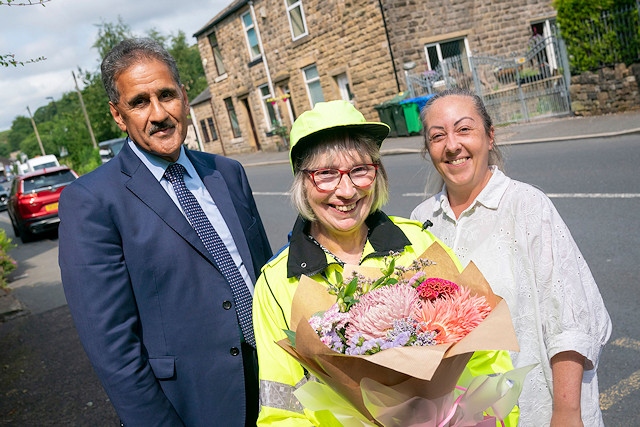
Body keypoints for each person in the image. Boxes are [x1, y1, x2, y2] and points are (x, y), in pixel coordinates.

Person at [252, 100, 516, 425]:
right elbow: (281, 406)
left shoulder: (419, 245)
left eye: (360, 170)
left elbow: (485, 356)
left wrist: (487, 417)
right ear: (303, 182)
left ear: (377, 174)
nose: (346, 191)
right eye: (326, 174)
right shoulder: (277, 284)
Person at [58, 38, 272, 426]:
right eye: (139, 102)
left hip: (275, 387)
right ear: (118, 115)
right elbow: (113, 348)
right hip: (191, 406)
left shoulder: (227, 173)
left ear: (184, 97)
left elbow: (265, 280)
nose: (158, 113)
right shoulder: (91, 201)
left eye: (166, 95)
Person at [411, 88, 612, 427]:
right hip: (459, 415)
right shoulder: (421, 220)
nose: (452, 145)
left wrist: (566, 413)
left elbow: (571, 320)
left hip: (537, 408)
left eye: (464, 129)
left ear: (489, 136)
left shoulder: (526, 206)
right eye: (437, 136)